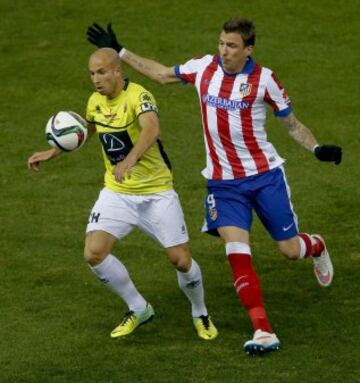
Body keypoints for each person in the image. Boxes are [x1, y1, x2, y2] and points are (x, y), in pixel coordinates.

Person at [86, 19, 343, 355]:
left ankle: (316, 246)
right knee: (238, 255)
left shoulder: (264, 80)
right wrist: (120, 51)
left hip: (265, 177)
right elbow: (162, 74)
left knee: (289, 250)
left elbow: (292, 125)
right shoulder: (205, 67)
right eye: (222, 43)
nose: (224, 51)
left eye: (232, 46)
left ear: (248, 49)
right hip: (223, 184)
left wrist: (317, 149)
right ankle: (263, 330)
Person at [27, 48, 218, 341]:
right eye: (92, 74)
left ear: (118, 71)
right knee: (93, 252)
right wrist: (53, 152)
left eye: (102, 72)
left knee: (180, 260)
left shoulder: (138, 96)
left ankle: (200, 311)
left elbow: (151, 129)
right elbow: (87, 130)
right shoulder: (95, 102)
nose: (96, 80)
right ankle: (138, 307)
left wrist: (129, 160)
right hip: (117, 192)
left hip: (156, 192)